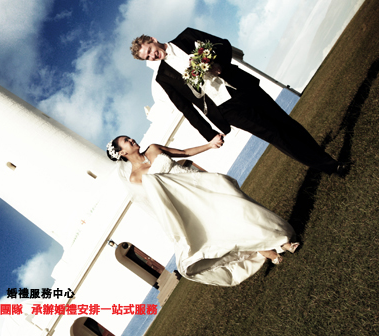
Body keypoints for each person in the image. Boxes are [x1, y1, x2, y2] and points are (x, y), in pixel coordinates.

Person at [130, 28, 347, 175]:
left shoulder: (187, 36)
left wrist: (218, 64)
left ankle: (322, 156)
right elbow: (186, 108)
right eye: (147, 58)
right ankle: (329, 166)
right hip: (225, 109)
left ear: (153, 40)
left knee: (284, 122)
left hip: (241, 87)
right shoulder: (163, 78)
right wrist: (209, 134)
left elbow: (223, 44)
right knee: (273, 134)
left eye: (149, 51)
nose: (152, 56)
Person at [106, 135, 299, 286]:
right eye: (126, 141)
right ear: (122, 152)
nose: (132, 140)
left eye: (129, 138)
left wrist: (210, 145)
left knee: (240, 208)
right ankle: (275, 248)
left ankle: (277, 240)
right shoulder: (135, 178)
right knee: (226, 227)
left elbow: (184, 152)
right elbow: (158, 201)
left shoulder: (154, 148)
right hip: (188, 204)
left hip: (199, 184)